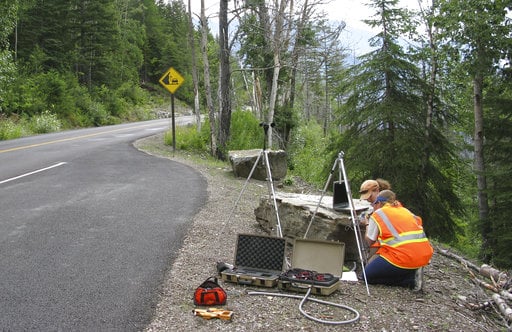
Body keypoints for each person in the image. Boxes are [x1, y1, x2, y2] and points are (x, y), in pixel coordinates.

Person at [363, 190, 433, 291]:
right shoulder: (406, 211)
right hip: (423, 255)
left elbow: (370, 241)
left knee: (367, 276)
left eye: (374, 204)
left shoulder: (378, 214)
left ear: (378, 203)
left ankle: (410, 280)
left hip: (403, 256)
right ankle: (411, 272)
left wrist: (367, 224)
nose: (373, 207)